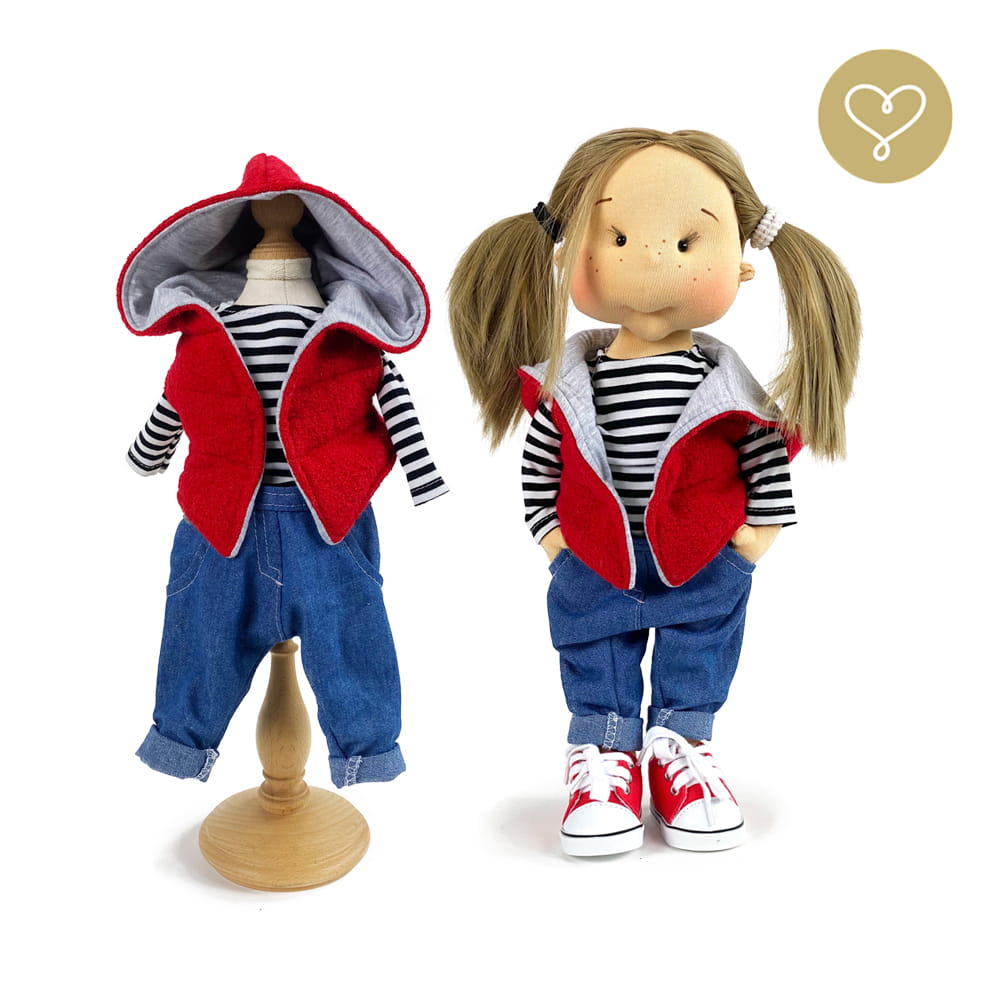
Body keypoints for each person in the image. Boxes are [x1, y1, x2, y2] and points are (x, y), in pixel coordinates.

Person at [449, 128, 860, 856]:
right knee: (595, 654)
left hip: (704, 555)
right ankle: (605, 758)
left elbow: (762, 458)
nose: (652, 256)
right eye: (617, 237)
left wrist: (752, 542)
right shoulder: (567, 385)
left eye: (686, 243)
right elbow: (542, 465)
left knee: (696, 655)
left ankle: (682, 749)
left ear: (742, 266)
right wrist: (553, 539)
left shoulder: (728, 390)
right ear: (567, 255)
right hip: (594, 557)